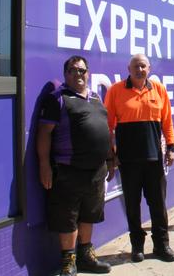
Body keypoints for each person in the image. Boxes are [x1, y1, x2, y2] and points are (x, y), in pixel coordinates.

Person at [37, 55, 116, 276]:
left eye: (82, 70)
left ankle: (85, 256)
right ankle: (68, 261)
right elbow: (44, 134)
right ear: (66, 74)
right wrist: (44, 164)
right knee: (67, 216)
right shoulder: (57, 99)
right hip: (68, 170)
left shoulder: (96, 98)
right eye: (73, 70)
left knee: (89, 214)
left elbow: (106, 132)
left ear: (88, 73)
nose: (78, 74)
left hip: (96, 171)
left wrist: (110, 160)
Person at [105, 53, 174, 263]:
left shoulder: (159, 89)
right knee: (132, 206)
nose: (140, 70)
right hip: (127, 161)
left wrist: (171, 147)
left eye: (143, 66)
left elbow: (167, 123)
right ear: (129, 69)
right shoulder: (116, 91)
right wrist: (111, 154)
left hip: (155, 159)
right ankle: (137, 245)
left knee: (158, 204)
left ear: (149, 69)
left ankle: (161, 244)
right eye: (136, 66)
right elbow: (108, 126)